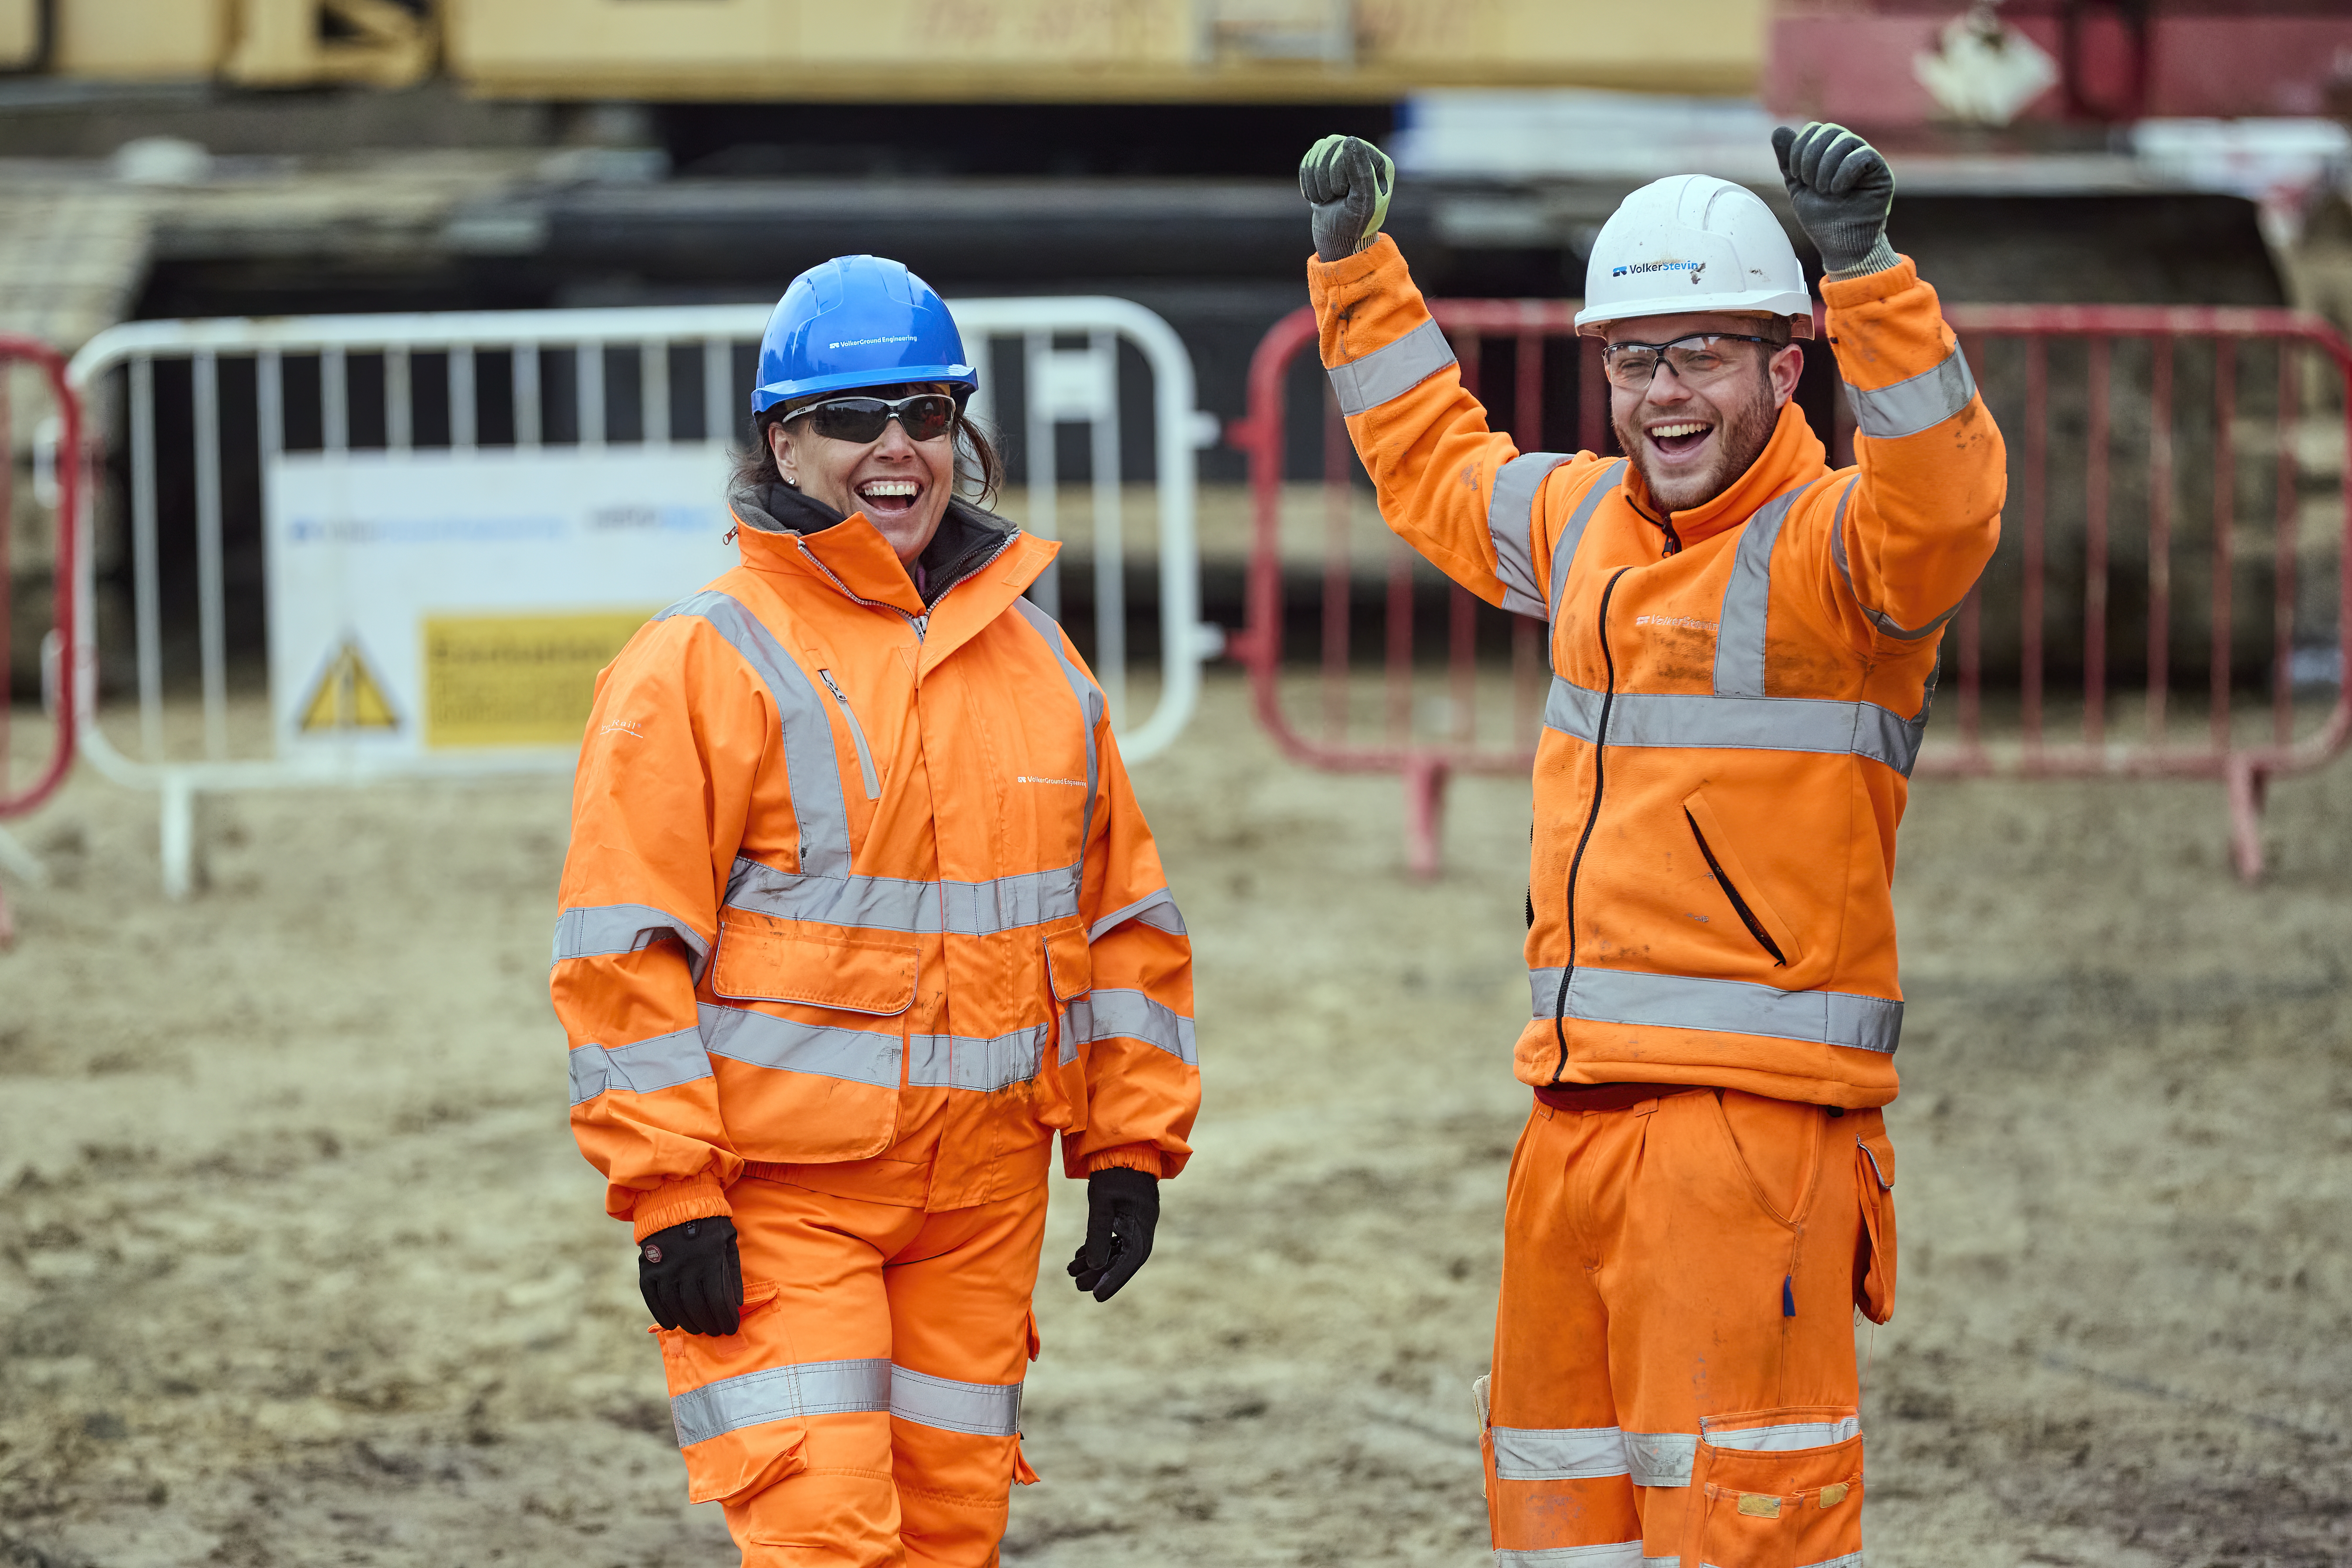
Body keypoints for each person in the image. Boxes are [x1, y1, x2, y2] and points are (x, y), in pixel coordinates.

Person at [1295, 124, 2003, 1564]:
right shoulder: (1582, 526)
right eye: (1632, 359)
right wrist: (1354, 269)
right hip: (1571, 1119)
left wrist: (1866, 269)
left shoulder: (1841, 552)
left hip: (1750, 1139)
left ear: (1785, 368)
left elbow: (1949, 502)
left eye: (1700, 356)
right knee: (1562, 1522)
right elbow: (1433, 466)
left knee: (1745, 1530)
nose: (1661, 394)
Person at [549, 253, 1199, 1567]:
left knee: (952, 1541)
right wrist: (671, 1192)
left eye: (927, 414)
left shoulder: (1039, 660)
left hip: (985, 1198)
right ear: (784, 440)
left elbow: (1123, 913)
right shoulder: (698, 662)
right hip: (786, 1205)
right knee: (829, 1542)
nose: (895, 448)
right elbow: (623, 957)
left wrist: (1128, 1144)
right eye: (853, 418)